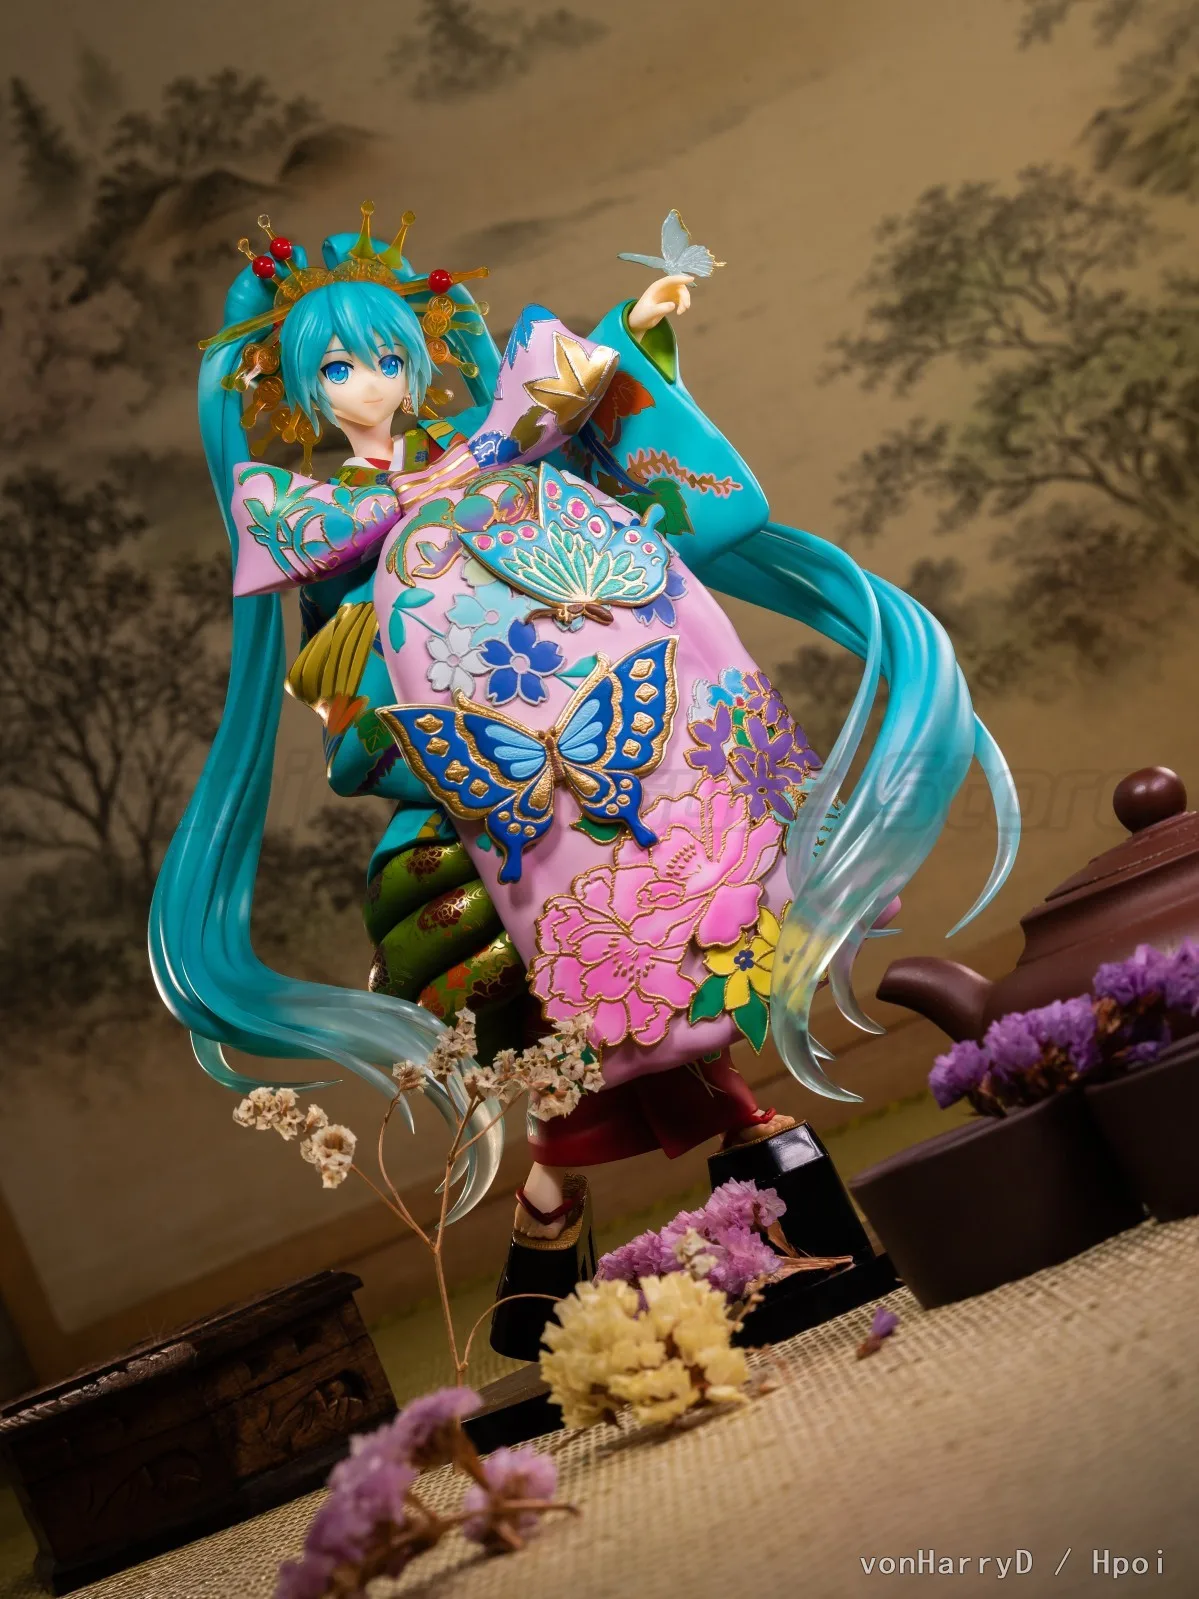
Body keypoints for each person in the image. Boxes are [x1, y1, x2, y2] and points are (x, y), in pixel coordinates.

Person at [151, 202, 1019, 1353]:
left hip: (616, 745)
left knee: (658, 977)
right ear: (301, 395)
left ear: (418, 360)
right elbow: (346, 705)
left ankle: (569, 1242)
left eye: (385, 359)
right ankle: (690, 1204)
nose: (369, 385)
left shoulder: (504, 452)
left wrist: (637, 333)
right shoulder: (330, 537)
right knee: (591, 1012)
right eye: (339, 371)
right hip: (482, 790)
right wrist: (433, 729)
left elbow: (605, 451)